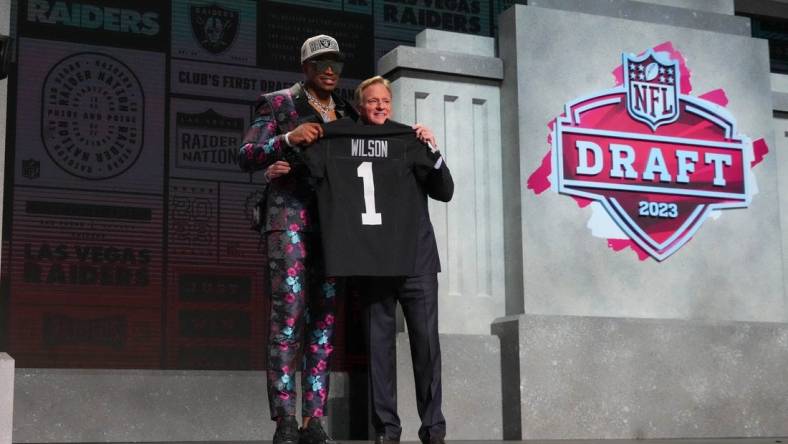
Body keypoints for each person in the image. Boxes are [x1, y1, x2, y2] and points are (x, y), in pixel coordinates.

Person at [238, 34, 354, 444]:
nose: (329, 69)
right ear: (305, 67)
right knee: (288, 318)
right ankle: (285, 417)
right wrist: (286, 140)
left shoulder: (347, 110)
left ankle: (314, 419)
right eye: (321, 62)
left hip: (334, 225)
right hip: (288, 220)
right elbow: (246, 155)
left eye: (336, 62)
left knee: (323, 322)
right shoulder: (279, 103)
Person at [349, 76, 453, 444]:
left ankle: (434, 430)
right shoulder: (349, 143)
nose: (380, 106)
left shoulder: (408, 139)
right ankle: (387, 432)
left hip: (417, 261)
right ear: (361, 106)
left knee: (426, 348)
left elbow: (445, 191)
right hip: (375, 263)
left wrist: (433, 149)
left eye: (386, 100)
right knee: (379, 351)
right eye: (373, 100)